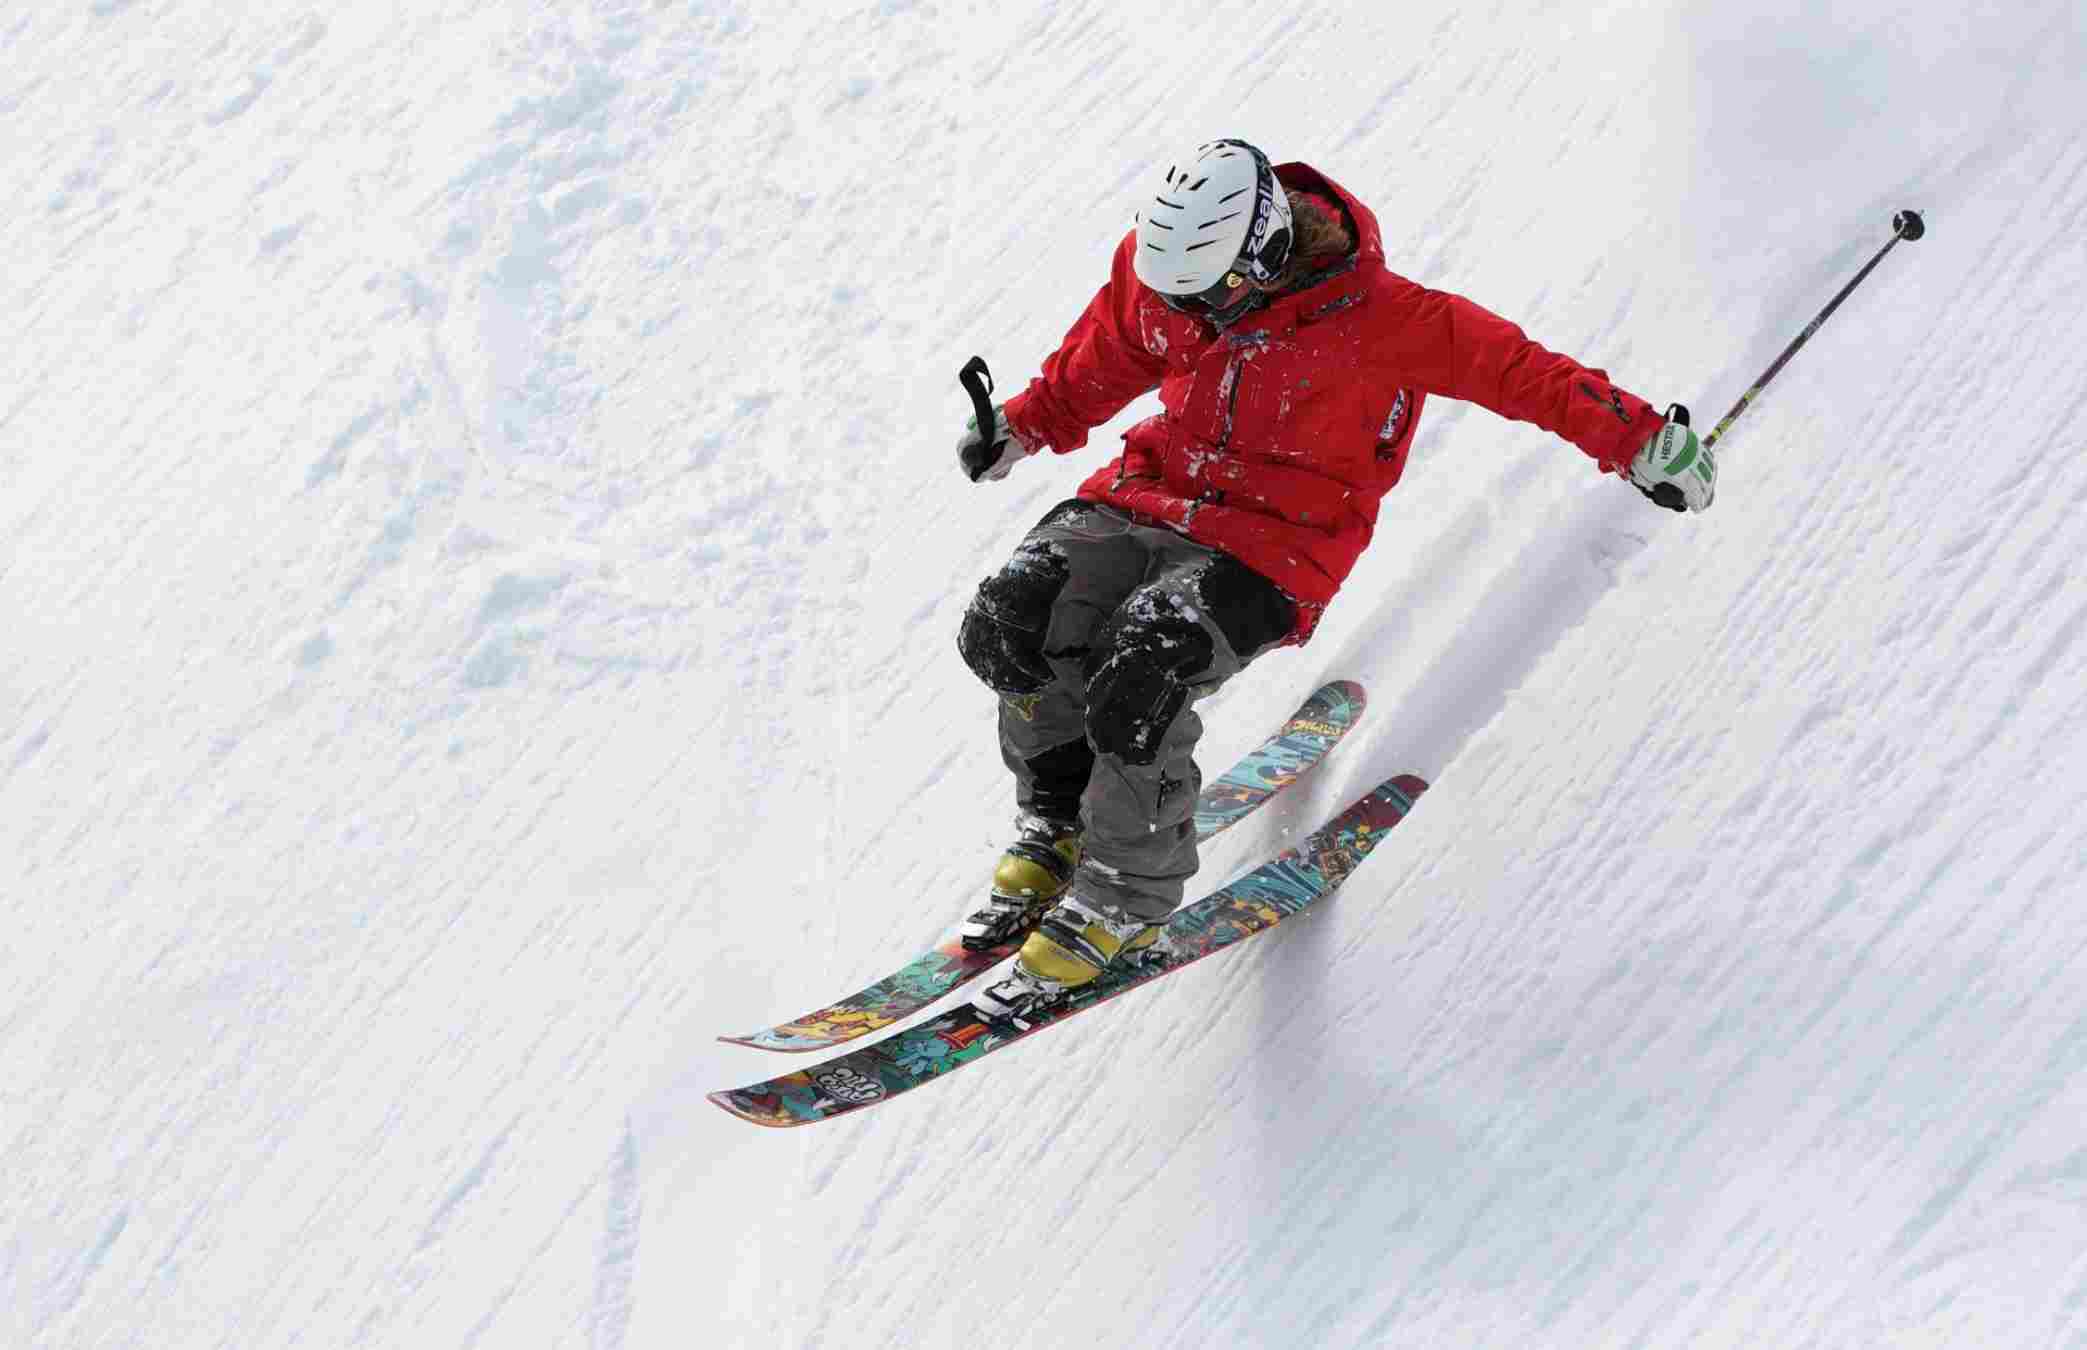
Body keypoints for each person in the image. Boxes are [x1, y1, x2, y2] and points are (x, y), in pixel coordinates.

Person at [952, 138, 1716, 1022]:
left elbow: (1523, 374)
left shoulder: (1389, 321)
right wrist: (1026, 423)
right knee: (1010, 618)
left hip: (1275, 544)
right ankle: (1059, 821)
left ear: (1267, 249)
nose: (1190, 314)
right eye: (1175, 296)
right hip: (1150, 494)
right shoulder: (1167, 274)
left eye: (1205, 296)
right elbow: (1115, 346)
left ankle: (1123, 894)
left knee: (1142, 671)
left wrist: (1637, 439)